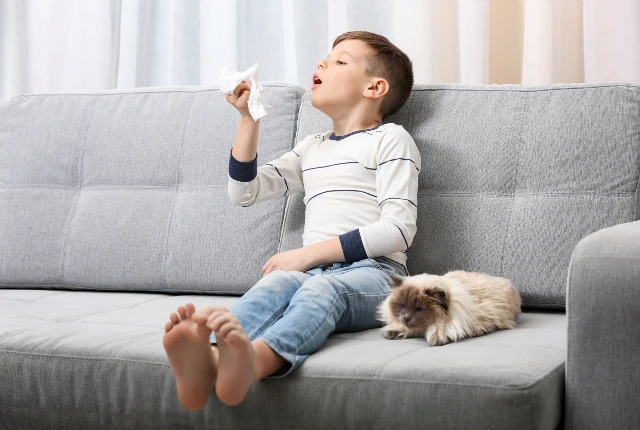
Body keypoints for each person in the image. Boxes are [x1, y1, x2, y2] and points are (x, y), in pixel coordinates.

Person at [162, 30, 420, 411]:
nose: (322, 63)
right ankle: (211, 358)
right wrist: (249, 120)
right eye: (325, 58)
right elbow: (243, 192)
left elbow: (398, 229)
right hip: (314, 271)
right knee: (279, 282)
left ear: (375, 87)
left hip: (376, 274)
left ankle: (256, 361)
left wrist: (308, 255)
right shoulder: (311, 148)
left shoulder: (391, 139)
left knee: (318, 291)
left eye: (340, 61)